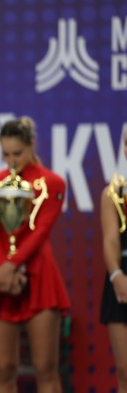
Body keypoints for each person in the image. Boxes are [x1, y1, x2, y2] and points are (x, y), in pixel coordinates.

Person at [0, 117, 70, 392]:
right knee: (3, 369)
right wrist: (4, 269)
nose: (11, 160)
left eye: (17, 153)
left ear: (32, 144)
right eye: (6, 154)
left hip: (39, 276)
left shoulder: (52, 182)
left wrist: (10, 265)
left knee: (46, 368)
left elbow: (41, 232)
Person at [100, 130, 127, 393]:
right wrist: (117, 275)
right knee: (125, 372)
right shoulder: (114, 193)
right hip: (122, 281)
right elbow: (110, 240)